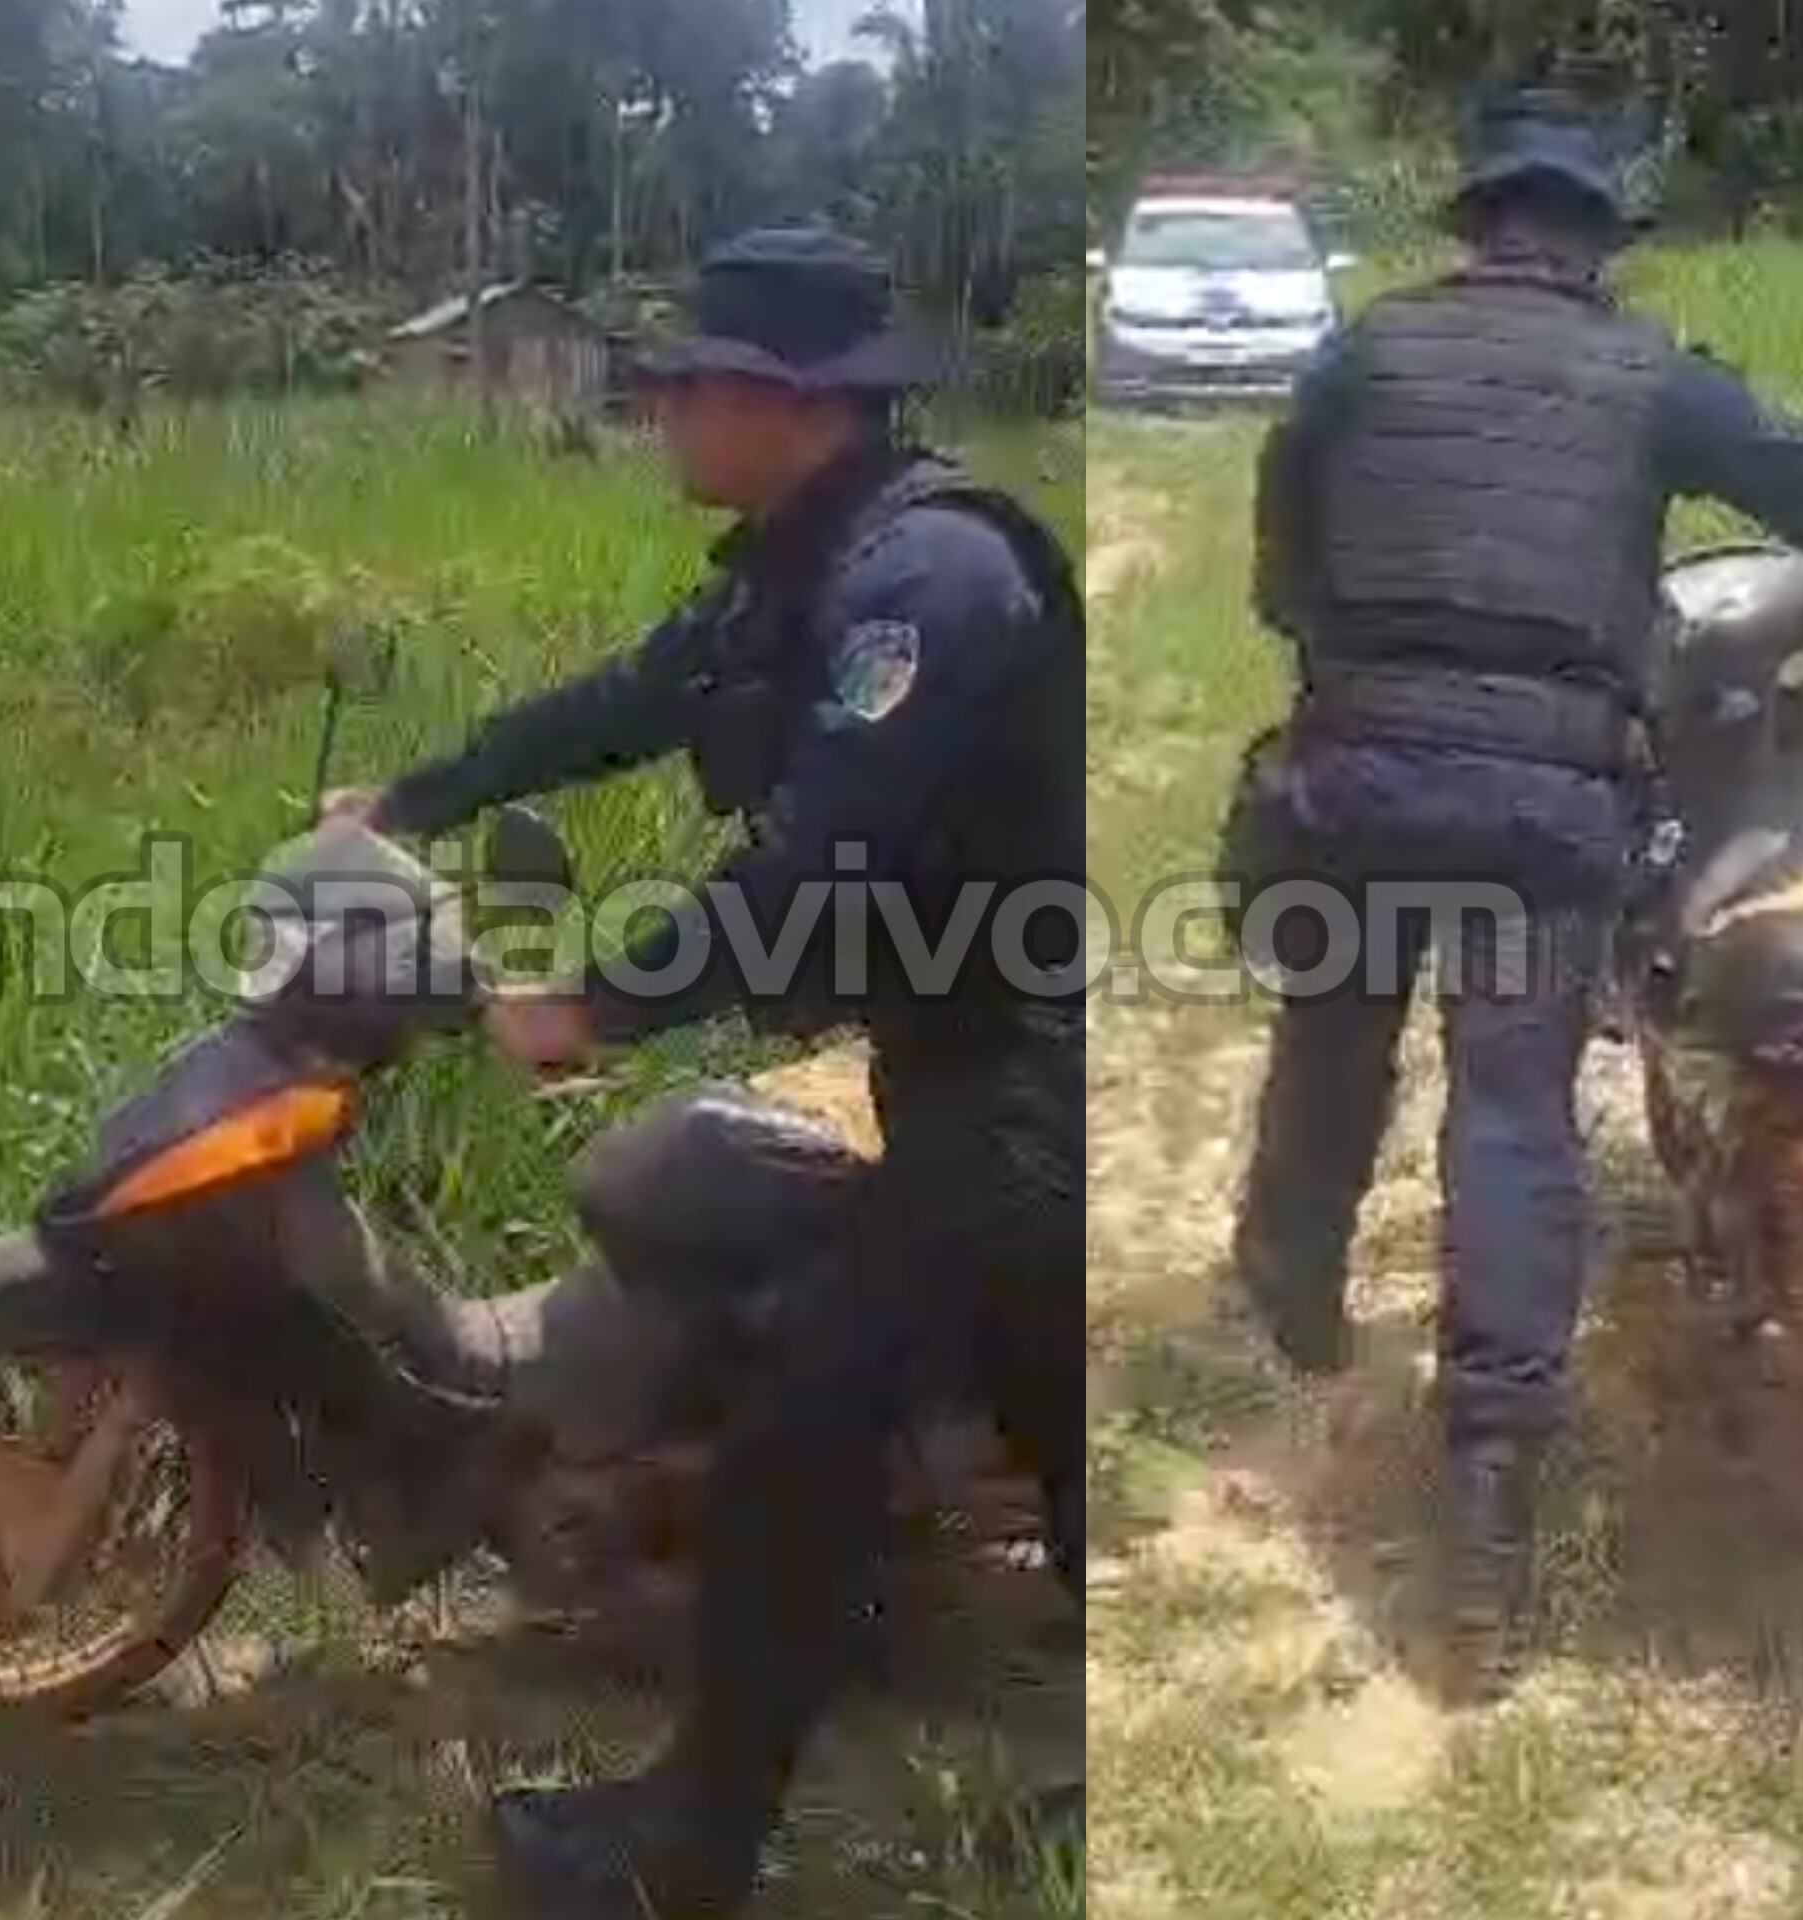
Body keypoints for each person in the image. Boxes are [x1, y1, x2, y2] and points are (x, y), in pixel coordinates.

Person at [324, 225, 1090, 1920]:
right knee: (1038, 1402)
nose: (657, 408)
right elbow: (619, 703)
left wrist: (593, 1005)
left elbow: (816, 868)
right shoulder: (787, 566)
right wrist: (413, 799)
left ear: (789, 400)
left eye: (685, 383)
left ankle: (688, 1861)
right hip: (943, 1069)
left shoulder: (930, 582)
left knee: (802, 1438)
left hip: (1029, 1082)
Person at [1227, 97, 1803, 1698]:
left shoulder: (1362, 354)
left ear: (1476, 220)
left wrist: (1353, 649)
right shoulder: (1652, 373)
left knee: (1333, 1037)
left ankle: (1295, 1297)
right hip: (1540, 795)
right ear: (1597, 238)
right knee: (1508, 1118)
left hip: (1359, 772)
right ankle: (1491, 1520)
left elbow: (1278, 566)